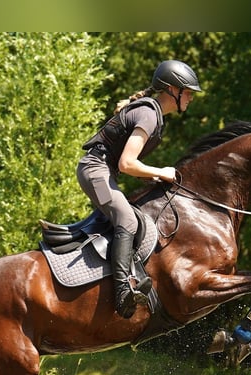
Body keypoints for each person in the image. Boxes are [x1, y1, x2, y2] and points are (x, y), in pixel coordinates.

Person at [77, 59, 202, 319]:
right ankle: (122, 293)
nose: (191, 98)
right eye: (188, 92)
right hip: (94, 170)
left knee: (134, 216)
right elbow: (127, 163)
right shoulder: (148, 114)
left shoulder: (153, 115)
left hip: (103, 171)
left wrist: (154, 178)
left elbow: (124, 165)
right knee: (127, 220)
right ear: (172, 89)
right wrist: (161, 171)